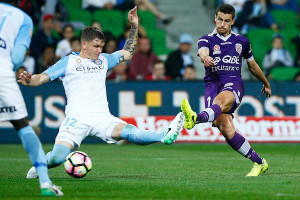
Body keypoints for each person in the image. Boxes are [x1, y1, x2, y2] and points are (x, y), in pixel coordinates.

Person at [19, 7, 185, 179]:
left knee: (129, 131)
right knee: (57, 158)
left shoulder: (104, 60)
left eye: (101, 46)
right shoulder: (69, 62)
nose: (99, 50)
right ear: (84, 44)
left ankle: (164, 135)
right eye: (96, 46)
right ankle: (42, 163)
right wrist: (29, 80)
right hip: (77, 119)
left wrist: (134, 26)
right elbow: (40, 78)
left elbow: (128, 53)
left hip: (102, 118)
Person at [181, 4, 271, 177]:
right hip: (212, 84)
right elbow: (202, 51)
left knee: (220, 102)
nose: (222, 24)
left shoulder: (242, 41)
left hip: (233, 83)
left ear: (233, 22)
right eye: (220, 19)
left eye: (226, 21)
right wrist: (206, 57)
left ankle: (195, 118)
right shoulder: (206, 39)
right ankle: (259, 162)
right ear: (215, 18)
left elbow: (252, 66)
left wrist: (266, 83)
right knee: (224, 127)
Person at [0, 0, 63, 196]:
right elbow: (18, 57)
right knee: (24, 127)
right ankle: (45, 182)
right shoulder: (23, 18)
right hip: (2, 68)